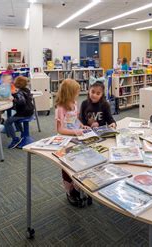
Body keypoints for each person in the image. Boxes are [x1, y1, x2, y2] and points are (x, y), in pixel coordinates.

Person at [55, 79, 89, 207]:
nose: (78, 94)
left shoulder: (74, 103)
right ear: (69, 93)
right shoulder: (60, 108)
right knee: (67, 165)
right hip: (65, 139)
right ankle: (69, 191)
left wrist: (82, 126)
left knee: (80, 162)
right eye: (76, 92)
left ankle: (77, 187)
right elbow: (59, 129)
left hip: (76, 136)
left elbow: (76, 120)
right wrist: (76, 131)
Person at [4, 76, 34, 149]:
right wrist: (15, 95)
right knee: (16, 120)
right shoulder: (27, 90)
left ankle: (15, 139)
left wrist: (13, 99)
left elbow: (21, 102)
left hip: (24, 113)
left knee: (7, 122)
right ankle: (23, 133)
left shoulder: (19, 92)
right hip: (30, 111)